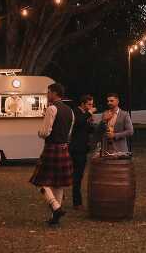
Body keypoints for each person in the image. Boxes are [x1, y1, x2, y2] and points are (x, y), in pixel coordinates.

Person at [30, 83, 74, 226]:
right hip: (64, 148)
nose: (47, 95)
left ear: (55, 93)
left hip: (52, 148)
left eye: (48, 92)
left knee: (40, 182)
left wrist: (39, 132)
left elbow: (45, 132)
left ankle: (55, 207)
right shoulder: (70, 111)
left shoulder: (51, 108)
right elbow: (69, 133)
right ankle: (55, 218)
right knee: (58, 185)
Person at [69, 94, 95, 209]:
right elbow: (78, 123)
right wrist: (89, 114)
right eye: (89, 104)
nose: (91, 107)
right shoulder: (76, 112)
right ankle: (77, 202)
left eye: (92, 105)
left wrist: (91, 122)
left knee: (79, 175)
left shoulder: (85, 115)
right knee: (77, 175)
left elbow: (88, 130)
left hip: (83, 148)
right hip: (76, 148)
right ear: (83, 104)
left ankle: (76, 200)